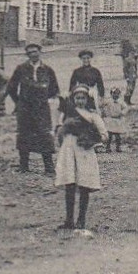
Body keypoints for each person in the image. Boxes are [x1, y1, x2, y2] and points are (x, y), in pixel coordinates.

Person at [54, 86, 108, 230]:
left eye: (83, 98)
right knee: (69, 184)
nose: (80, 101)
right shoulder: (67, 114)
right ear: (73, 99)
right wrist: (64, 128)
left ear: (87, 99)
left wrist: (91, 140)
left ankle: (81, 219)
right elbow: (59, 132)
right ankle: (69, 220)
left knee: (84, 184)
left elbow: (104, 135)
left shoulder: (93, 116)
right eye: (77, 98)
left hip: (84, 152)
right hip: (69, 149)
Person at [6, 42, 59, 175]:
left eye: (35, 51)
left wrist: (43, 98)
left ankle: (49, 167)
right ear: (27, 55)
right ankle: (24, 166)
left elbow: (54, 89)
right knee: (24, 134)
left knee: (45, 135)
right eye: (30, 53)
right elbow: (11, 87)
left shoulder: (48, 69)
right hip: (25, 108)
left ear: (40, 52)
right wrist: (19, 102)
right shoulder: (21, 68)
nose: (33, 54)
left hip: (42, 108)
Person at [101, 87, 128, 152]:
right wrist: (104, 112)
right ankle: (108, 147)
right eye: (114, 93)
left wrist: (122, 113)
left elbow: (126, 108)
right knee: (109, 135)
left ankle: (118, 147)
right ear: (111, 94)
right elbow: (102, 106)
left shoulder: (121, 102)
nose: (115, 95)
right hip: (110, 120)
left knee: (117, 135)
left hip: (117, 120)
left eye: (117, 93)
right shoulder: (108, 101)